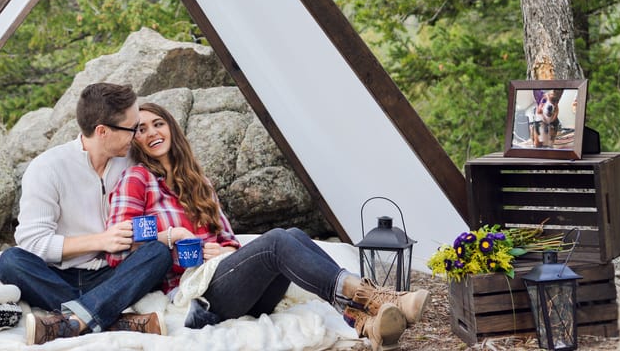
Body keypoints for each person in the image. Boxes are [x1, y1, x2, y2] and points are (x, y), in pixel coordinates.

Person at [107, 102, 431, 351]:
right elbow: (121, 248)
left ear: (172, 129)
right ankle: (372, 297)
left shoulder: (198, 182)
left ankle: (362, 319)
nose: (151, 133)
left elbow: (231, 242)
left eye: (158, 124)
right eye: (141, 129)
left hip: (227, 282)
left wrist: (223, 249)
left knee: (293, 236)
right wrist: (172, 240)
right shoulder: (137, 180)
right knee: (277, 241)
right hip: (194, 299)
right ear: (134, 140)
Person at [0, 83, 173, 345]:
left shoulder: (135, 160)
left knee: (158, 253)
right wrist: (101, 240)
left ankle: (74, 321)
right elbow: (33, 242)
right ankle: (114, 320)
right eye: (133, 128)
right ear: (102, 131)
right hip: (56, 275)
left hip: (113, 273)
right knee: (10, 262)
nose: (137, 135)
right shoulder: (48, 168)